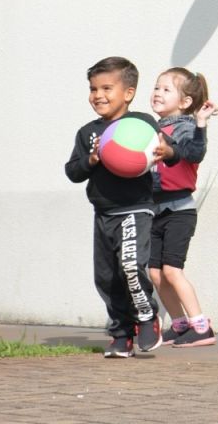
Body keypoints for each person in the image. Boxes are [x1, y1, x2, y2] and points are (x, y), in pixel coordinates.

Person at [64, 57, 162, 358]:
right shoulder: (87, 133)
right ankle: (121, 333)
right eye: (93, 89)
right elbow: (73, 172)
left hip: (135, 208)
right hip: (103, 213)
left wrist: (166, 151)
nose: (98, 95)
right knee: (106, 277)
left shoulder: (141, 124)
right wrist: (91, 160)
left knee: (130, 266)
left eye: (107, 88)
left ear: (128, 93)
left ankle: (147, 318)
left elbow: (162, 151)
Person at [148, 68, 218, 348]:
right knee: (155, 273)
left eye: (166, 89)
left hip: (179, 211)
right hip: (155, 211)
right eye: (156, 87)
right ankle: (180, 325)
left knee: (172, 271)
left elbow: (195, 153)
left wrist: (201, 123)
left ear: (184, 101)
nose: (158, 92)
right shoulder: (150, 128)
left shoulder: (183, 126)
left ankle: (201, 327)